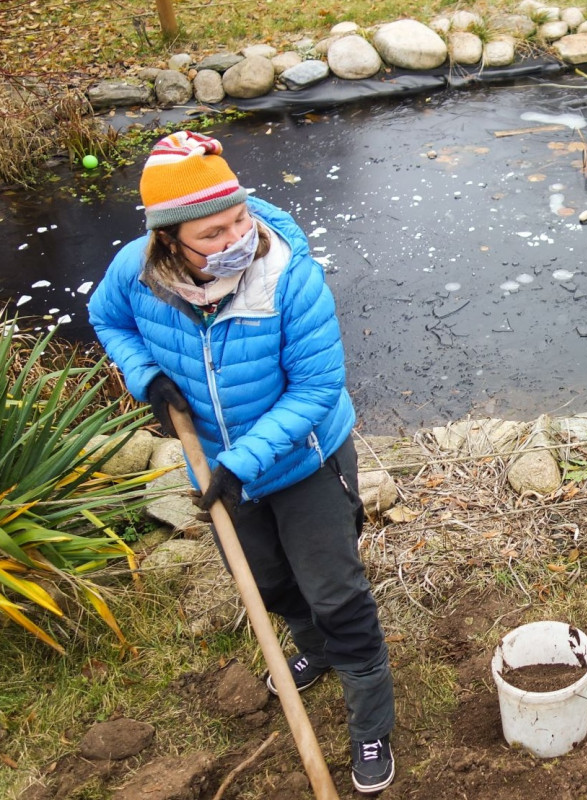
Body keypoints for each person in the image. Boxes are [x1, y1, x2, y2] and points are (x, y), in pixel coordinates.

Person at [88, 131, 396, 794]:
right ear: (169, 241)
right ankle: (313, 653)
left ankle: (370, 720)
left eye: (239, 218)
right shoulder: (135, 272)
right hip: (221, 466)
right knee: (268, 584)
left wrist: (243, 462)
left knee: (336, 595)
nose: (237, 236)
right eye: (214, 231)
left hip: (304, 462)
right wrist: (145, 375)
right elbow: (104, 316)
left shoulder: (287, 275)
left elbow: (317, 389)